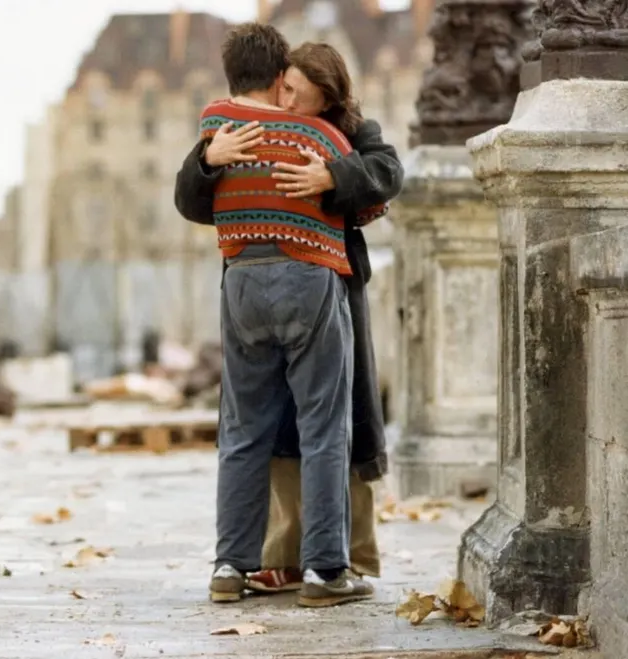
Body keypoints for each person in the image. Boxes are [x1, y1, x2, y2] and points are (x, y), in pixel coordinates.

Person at [174, 40, 403, 605]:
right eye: (286, 88)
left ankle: (233, 566)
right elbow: (191, 194)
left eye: (299, 93)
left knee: (251, 431)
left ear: (326, 95)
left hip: (263, 280)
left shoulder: (343, 135)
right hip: (313, 281)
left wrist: (333, 177)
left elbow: (385, 174)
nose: (287, 100)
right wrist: (208, 160)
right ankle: (321, 569)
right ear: (277, 77)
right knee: (319, 429)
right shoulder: (248, 136)